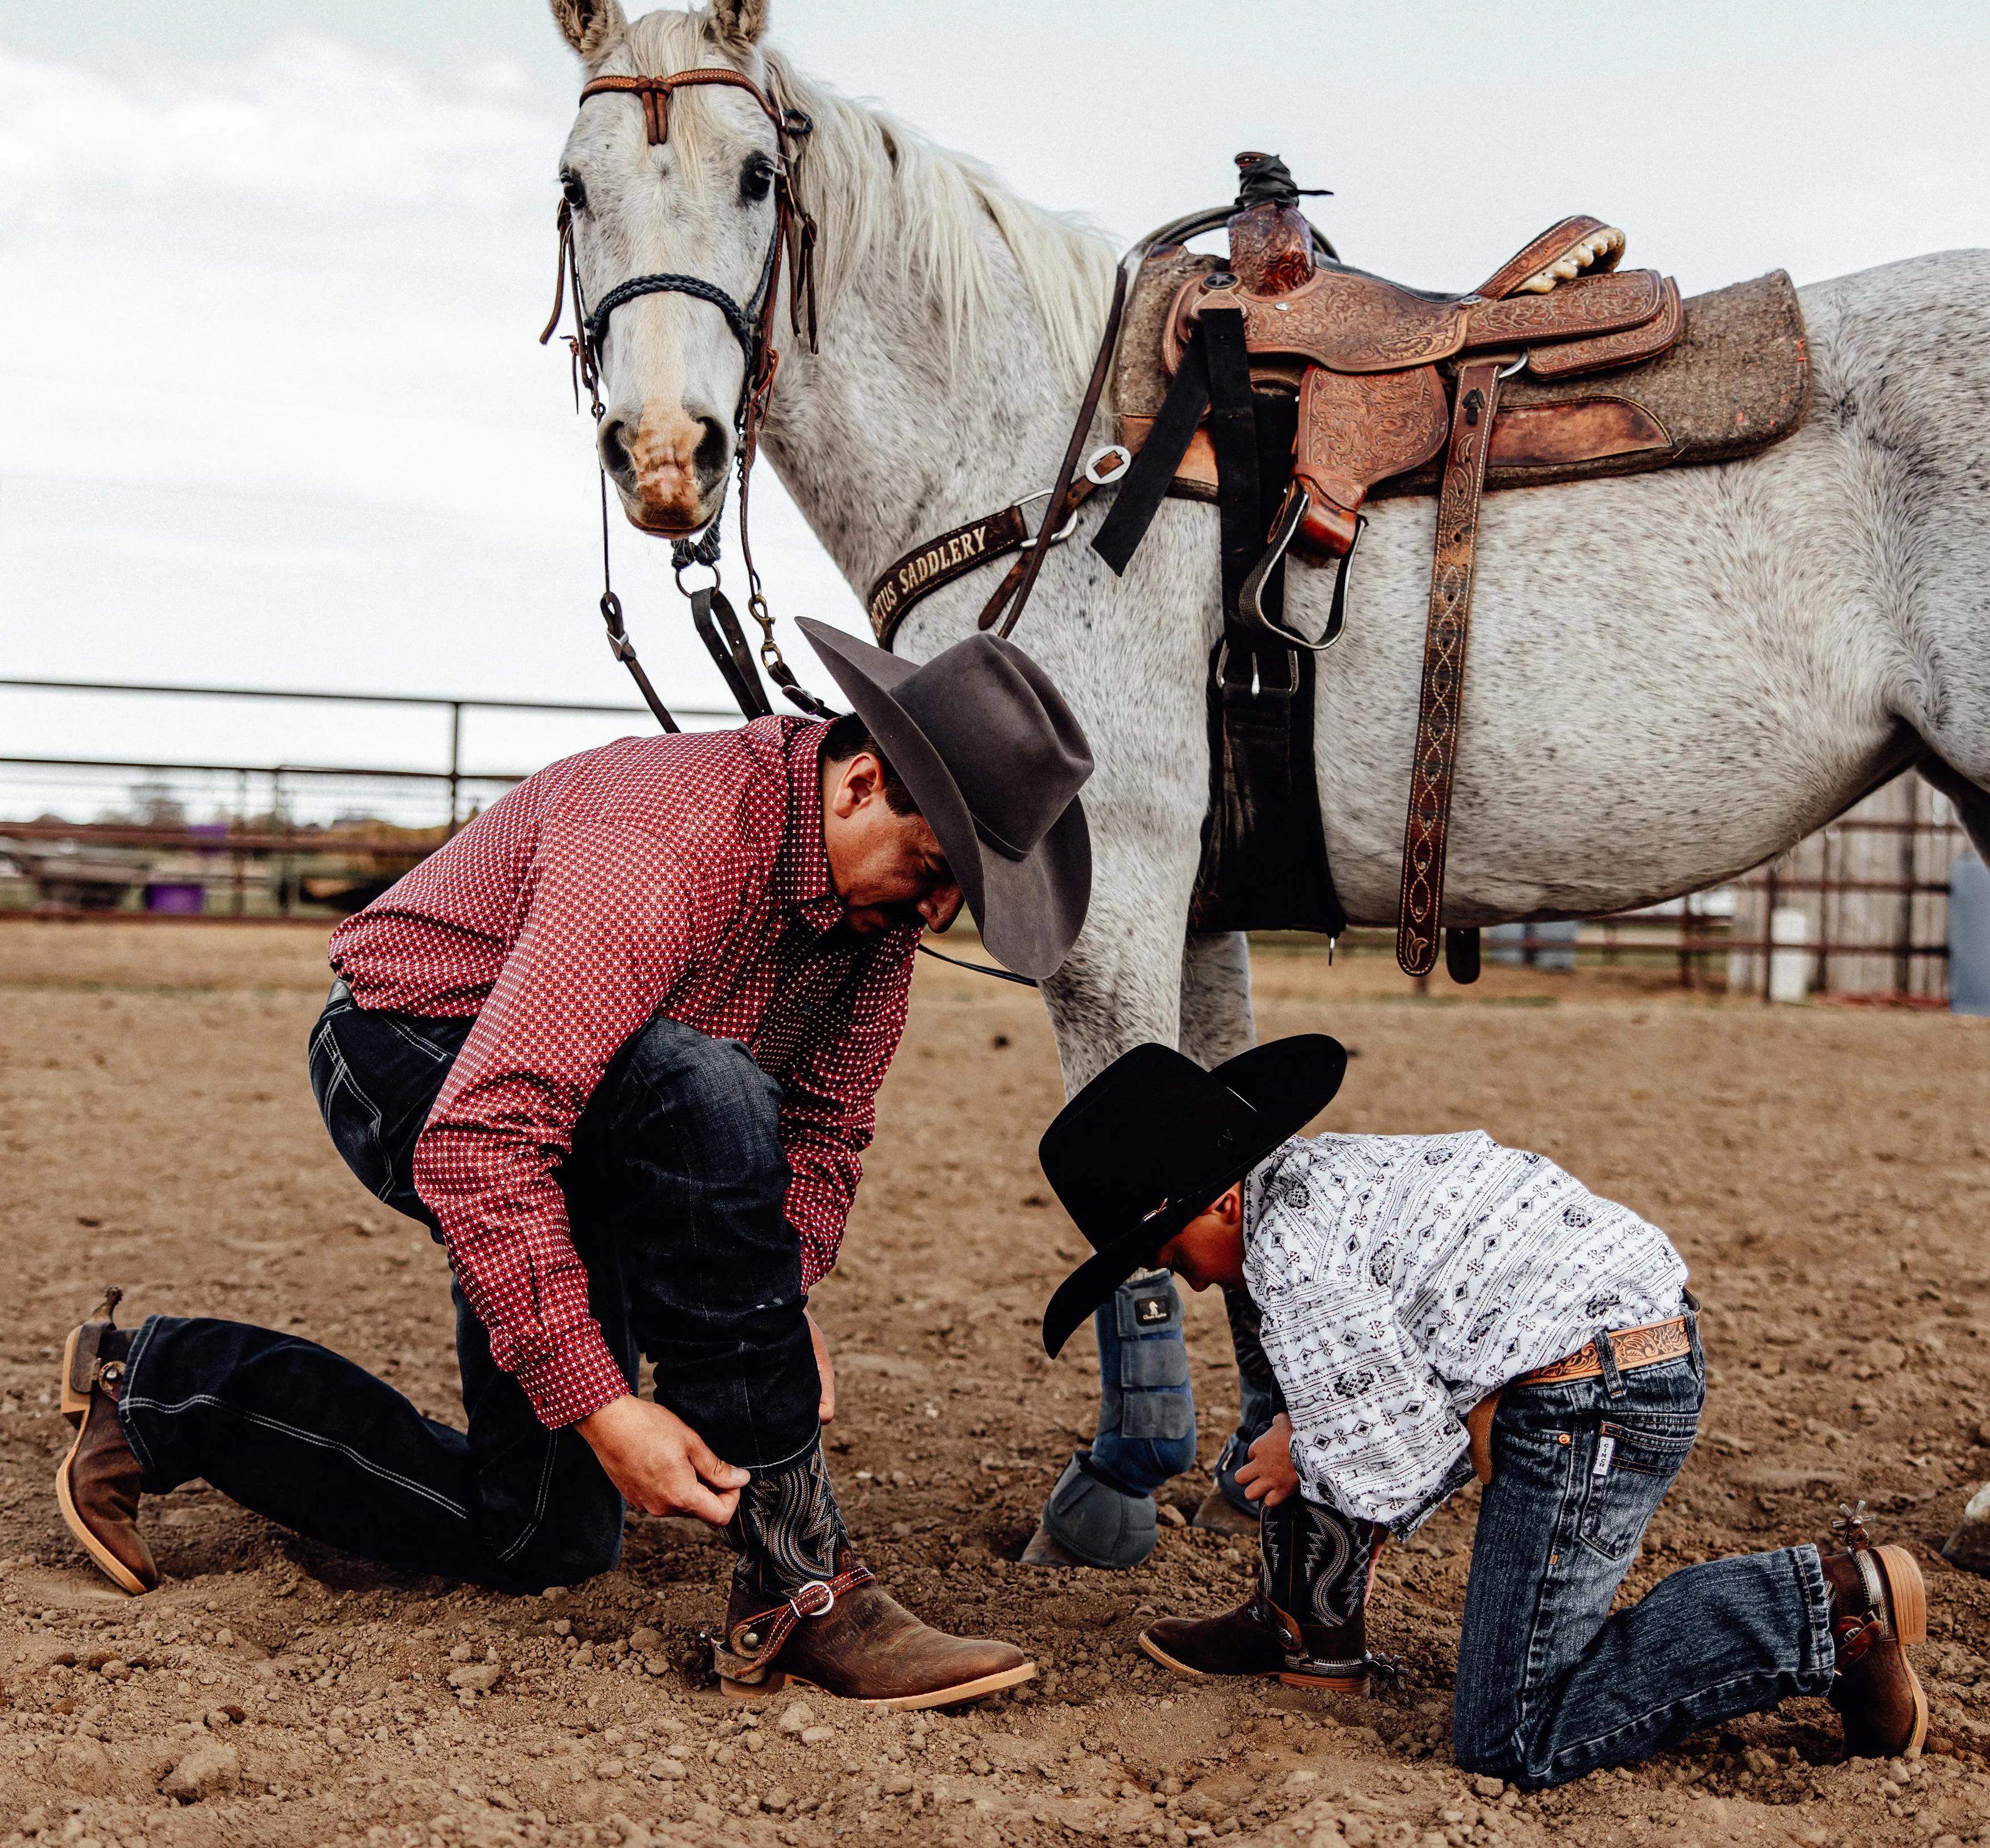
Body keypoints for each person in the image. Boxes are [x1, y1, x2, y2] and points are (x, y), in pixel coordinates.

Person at [53, 621, 1093, 1710]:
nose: (934, 915)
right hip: (415, 1051)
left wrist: (768, 1297)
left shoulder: (870, 919)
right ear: (863, 784)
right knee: (707, 1083)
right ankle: (802, 1585)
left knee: (540, 1533)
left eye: (957, 898)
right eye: (935, 870)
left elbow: (827, 1132)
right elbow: (486, 1139)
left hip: (597, 1096)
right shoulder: (666, 839)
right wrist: (604, 1406)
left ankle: (167, 1391)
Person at [1033, 1037, 1930, 1786]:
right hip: (1629, 1348)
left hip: (1589, 1401)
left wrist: (1306, 1448)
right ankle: (1304, 1630)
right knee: (1308, 1409)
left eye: (1161, 1242)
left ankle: (1824, 1609)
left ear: (1218, 1199)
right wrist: (1316, 1425)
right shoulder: (1326, 1175)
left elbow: (1393, 1455)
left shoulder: (1291, 1264)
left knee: (1512, 1739)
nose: (1172, 1271)